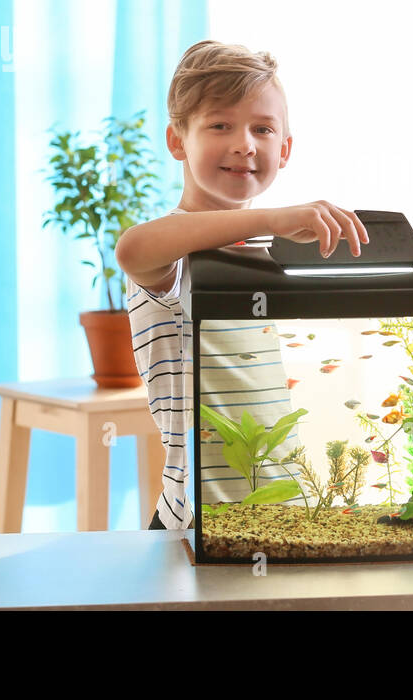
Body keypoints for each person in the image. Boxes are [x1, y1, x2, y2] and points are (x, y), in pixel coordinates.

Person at [115, 40, 369, 529]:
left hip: (278, 509)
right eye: (219, 125)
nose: (245, 144)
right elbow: (132, 249)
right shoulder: (175, 255)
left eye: (262, 128)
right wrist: (275, 218)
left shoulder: (260, 254)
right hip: (198, 521)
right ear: (176, 141)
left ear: (286, 149)